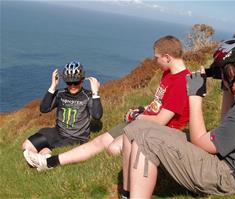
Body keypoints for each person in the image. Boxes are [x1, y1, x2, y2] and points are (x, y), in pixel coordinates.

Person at [23, 36, 190, 178]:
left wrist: (136, 117)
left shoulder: (181, 82)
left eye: (157, 57)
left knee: (113, 149)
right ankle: (49, 162)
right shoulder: (168, 74)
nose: (155, 61)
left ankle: (48, 160)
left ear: (167, 57)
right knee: (100, 141)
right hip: (144, 120)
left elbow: (161, 121)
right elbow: (159, 104)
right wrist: (140, 109)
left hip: (160, 129)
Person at [122, 35, 235, 198]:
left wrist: (195, 95)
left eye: (222, 70)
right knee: (135, 128)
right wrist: (227, 87)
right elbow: (226, 125)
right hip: (228, 159)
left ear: (231, 71)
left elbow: (200, 142)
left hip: (227, 176)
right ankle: (126, 194)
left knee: (146, 141)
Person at [22, 61, 103, 165]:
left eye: (76, 82)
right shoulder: (61, 94)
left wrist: (96, 93)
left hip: (76, 138)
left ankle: (43, 158)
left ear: (82, 80)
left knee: (42, 151)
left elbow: (97, 115)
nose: (72, 86)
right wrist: (53, 87)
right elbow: (44, 108)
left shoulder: (87, 96)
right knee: (26, 146)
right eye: (69, 83)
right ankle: (43, 157)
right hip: (57, 132)